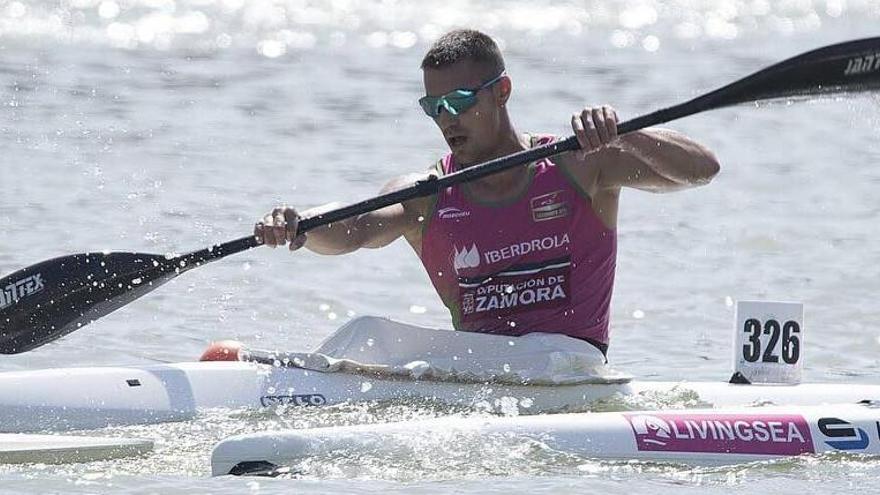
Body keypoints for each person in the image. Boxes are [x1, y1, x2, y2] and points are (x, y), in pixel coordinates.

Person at [255, 29, 719, 357]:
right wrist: (301, 226)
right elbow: (356, 229)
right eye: (432, 107)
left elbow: (702, 170)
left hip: (569, 362)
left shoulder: (579, 163)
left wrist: (625, 133)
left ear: (502, 92)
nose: (446, 119)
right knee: (367, 333)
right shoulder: (427, 193)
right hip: (479, 368)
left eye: (458, 102)